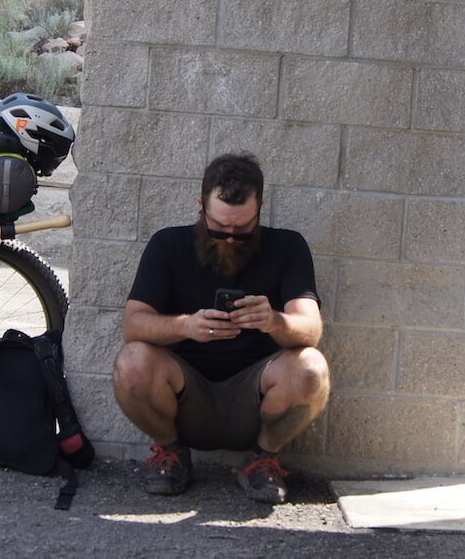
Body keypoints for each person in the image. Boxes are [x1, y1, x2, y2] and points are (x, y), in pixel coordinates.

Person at [113, 153, 330, 504]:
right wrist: (187, 326)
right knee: (132, 361)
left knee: (311, 368)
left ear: (260, 209)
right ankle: (172, 453)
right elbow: (133, 325)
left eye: (242, 230)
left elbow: (311, 330)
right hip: (185, 395)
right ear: (201, 206)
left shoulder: (288, 247)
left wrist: (274, 321)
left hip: (258, 396)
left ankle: (262, 458)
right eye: (219, 227)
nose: (229, 238)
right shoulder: (168, 245)